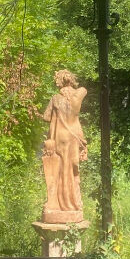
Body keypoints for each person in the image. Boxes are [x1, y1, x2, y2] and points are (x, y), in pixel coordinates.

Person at [40, 70, 87, 222]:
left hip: (59, 136)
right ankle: (73, 204)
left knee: (60, 171)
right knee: (72, 171)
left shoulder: (55, 99)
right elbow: (82, 91)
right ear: (72, 81)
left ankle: (58, 203)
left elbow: (46, 117)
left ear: (59, 83)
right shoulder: (79, 95)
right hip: (73, 136)